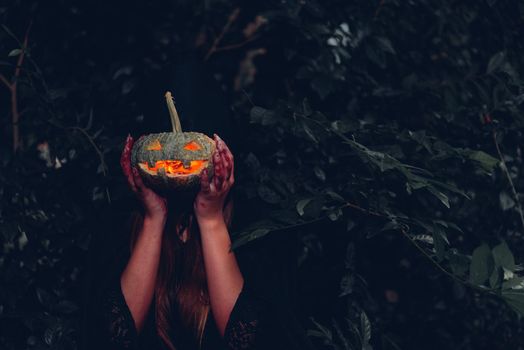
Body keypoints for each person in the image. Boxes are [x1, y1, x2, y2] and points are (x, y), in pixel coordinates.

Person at [83, 133, 277, 350]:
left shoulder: (254, 228)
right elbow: (114, 341)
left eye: (192, 147)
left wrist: (211, 219)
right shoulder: (117, 224)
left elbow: (245, 342)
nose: (179, 159)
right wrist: (153, 218)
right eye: (158, 147)